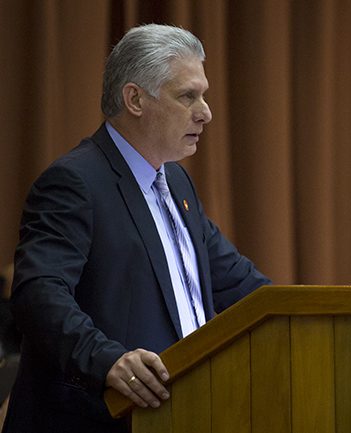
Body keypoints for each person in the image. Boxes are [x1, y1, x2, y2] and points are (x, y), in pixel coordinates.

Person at [2, 24, 270, 433]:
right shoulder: (76, 182)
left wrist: (312, 313)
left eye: (204, 95)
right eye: (188, 96)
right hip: (96, 419)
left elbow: (239, 283)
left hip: (181, 414)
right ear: (135, 99)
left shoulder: (177, 183)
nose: (206, 111)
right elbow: (38, 292)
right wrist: (108, 359)